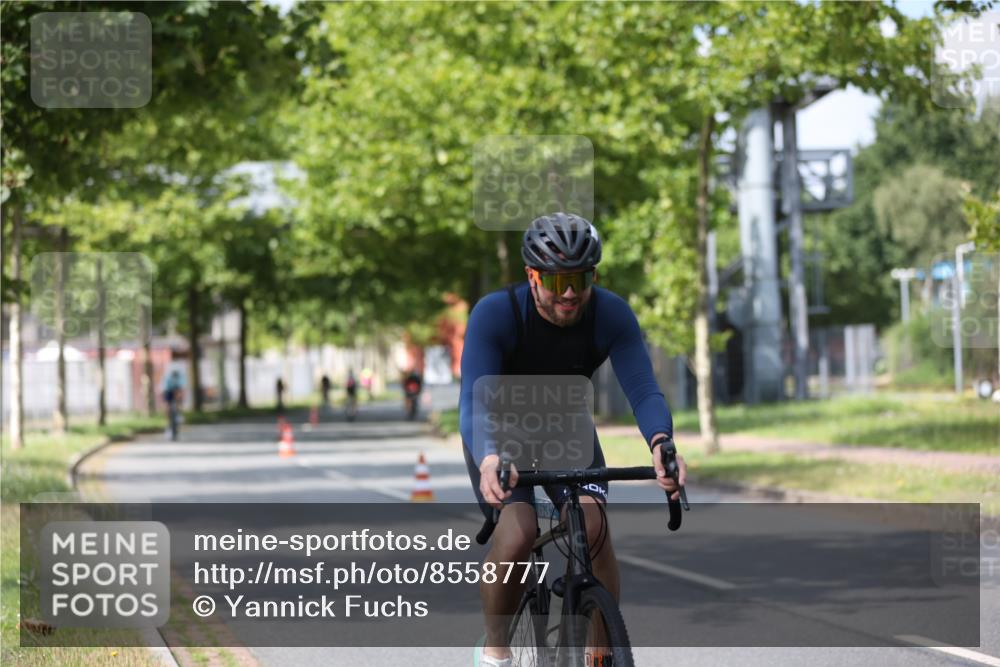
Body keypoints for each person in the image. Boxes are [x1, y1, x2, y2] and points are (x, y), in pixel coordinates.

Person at [459, 212, 686, 667]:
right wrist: (488, 459)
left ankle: (599, 655)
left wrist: (662, 443)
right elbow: (474, 403)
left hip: (566, 427)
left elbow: (642, 387)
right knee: (520, 532)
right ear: (532, 276)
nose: (569, 292)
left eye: (580, 278)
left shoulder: (611, 314)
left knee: (595, 528)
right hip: (500, 435)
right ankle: (495, 649)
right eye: (558, 279)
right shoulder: (496, 314)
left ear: (593, 275)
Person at [162, 370, 185, 442]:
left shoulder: (178, 381)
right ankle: (171, 418)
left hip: (174, 392)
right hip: (169, 393)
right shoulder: (168, 381)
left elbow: (179, 393)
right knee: (169, 411)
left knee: (175, 407)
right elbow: (166, 394)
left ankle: (178, 414)